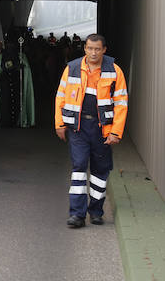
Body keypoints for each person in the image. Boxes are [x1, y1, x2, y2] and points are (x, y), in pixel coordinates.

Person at [55, 34, 127, 227]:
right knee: (78, 167)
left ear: (104, 50)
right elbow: (60, 96)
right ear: (84, 48)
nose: (93, 53)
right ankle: (77, 214)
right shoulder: (72, 68)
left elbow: (121, 104)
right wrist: (59, 124)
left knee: (100, 170)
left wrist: (116, 132)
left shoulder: (114, 71)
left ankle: (96, 211)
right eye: (89, 48)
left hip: (102, 129)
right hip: (78, 128)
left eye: (97, 49)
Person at [0, 37, 35, 127]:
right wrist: (13, 65)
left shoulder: (21, 56)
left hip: (17, 82)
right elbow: (0, 69)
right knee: (5, 102)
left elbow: (26, 69)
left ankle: (18, 120)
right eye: (8, 45)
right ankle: (5, 121)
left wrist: (22, 67)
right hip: (5, 83)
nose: (10, 47)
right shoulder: (2, 56)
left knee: (17, 101)